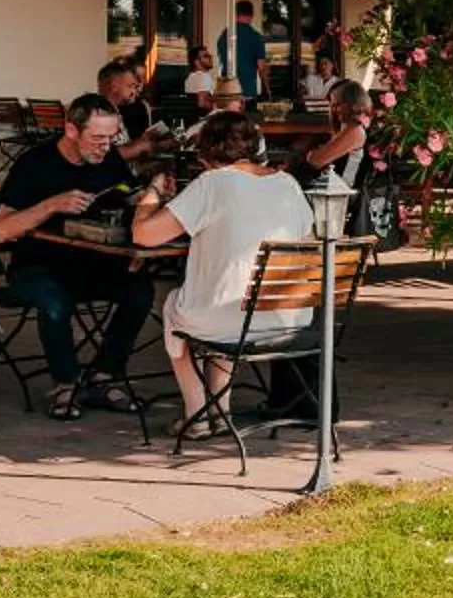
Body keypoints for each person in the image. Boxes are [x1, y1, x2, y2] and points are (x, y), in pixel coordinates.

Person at [134, 109, 318, 426]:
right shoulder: (287, 183)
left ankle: (197, 413)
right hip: (288, 318)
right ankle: (221, 409)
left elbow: (144, 235)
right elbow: (308, 242)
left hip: (233, 319)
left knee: (178, 306)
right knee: (220, 300)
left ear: (206, 151)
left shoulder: (212, 184)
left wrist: (152, 192)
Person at [0, 93, 161, 417]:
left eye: (111, 138)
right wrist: (53, 204)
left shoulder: (109, 160)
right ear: (71, 130)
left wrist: (151, 197)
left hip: (93, 262)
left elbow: (130, 198)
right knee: (56, 303)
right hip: (37, 266)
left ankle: (104, 374)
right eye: (97, 138)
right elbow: (2, 230)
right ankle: (65, 383)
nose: (105, 146)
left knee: (139, 291)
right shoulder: (35, 164)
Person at [97, 56, 159, 159]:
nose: (134, 92)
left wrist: (144, 141)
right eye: (131, 86)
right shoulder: (98, 115)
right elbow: (105, 156)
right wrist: (139, 147)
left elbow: (124, 148)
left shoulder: (116, 112)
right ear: (114, 86)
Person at [216, 0, 268, 104]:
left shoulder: (224, 35)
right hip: (246, 91)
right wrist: (267, 89)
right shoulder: (255, 37)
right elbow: (261, 67)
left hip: (227, 89)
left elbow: (221, 59)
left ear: (235, 14)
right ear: (252, 15)